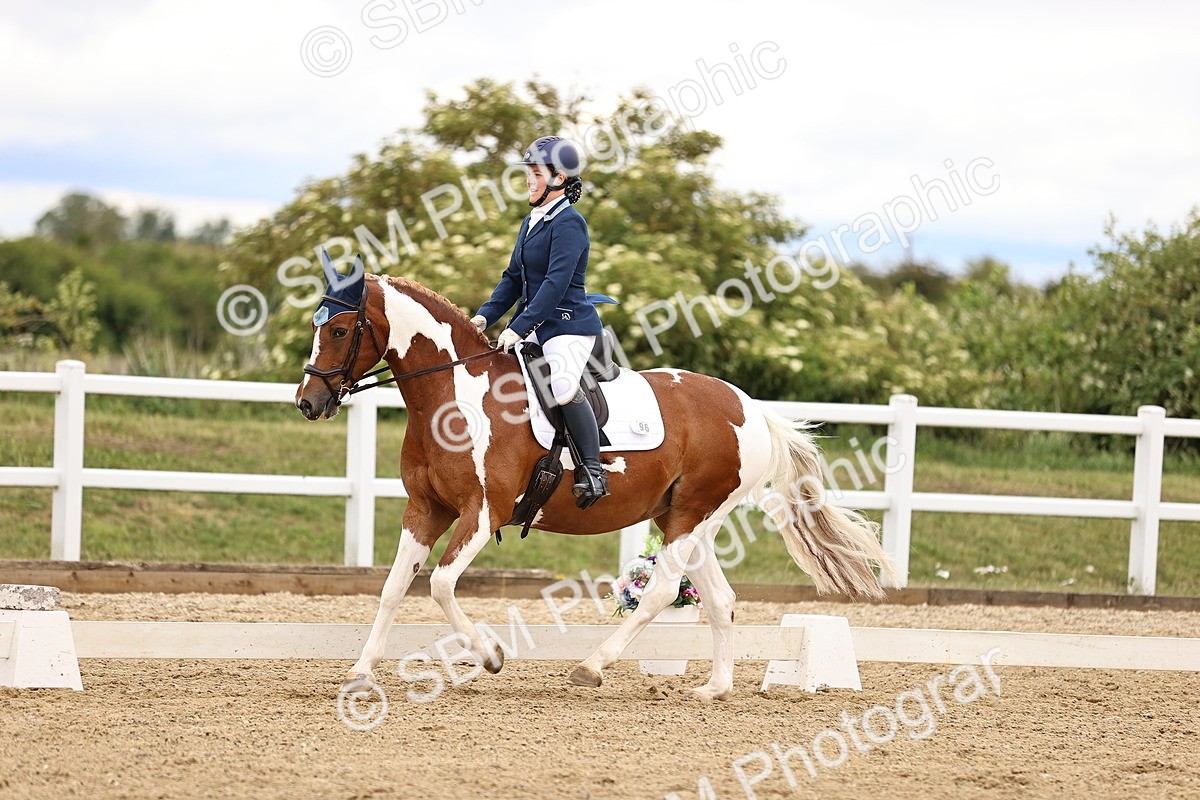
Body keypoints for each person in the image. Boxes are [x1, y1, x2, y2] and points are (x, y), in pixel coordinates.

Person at [471, 136, 616, 509]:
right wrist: (484, 316)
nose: (528, 180)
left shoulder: (570, 223)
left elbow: (555, 284)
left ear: (559, 178)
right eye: (528, 173)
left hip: (568, 326)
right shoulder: (531, 220)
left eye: (535, 173)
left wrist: (519, 327)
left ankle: (593, 471)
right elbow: (512, 278)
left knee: (562, 386)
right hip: (535, 323)